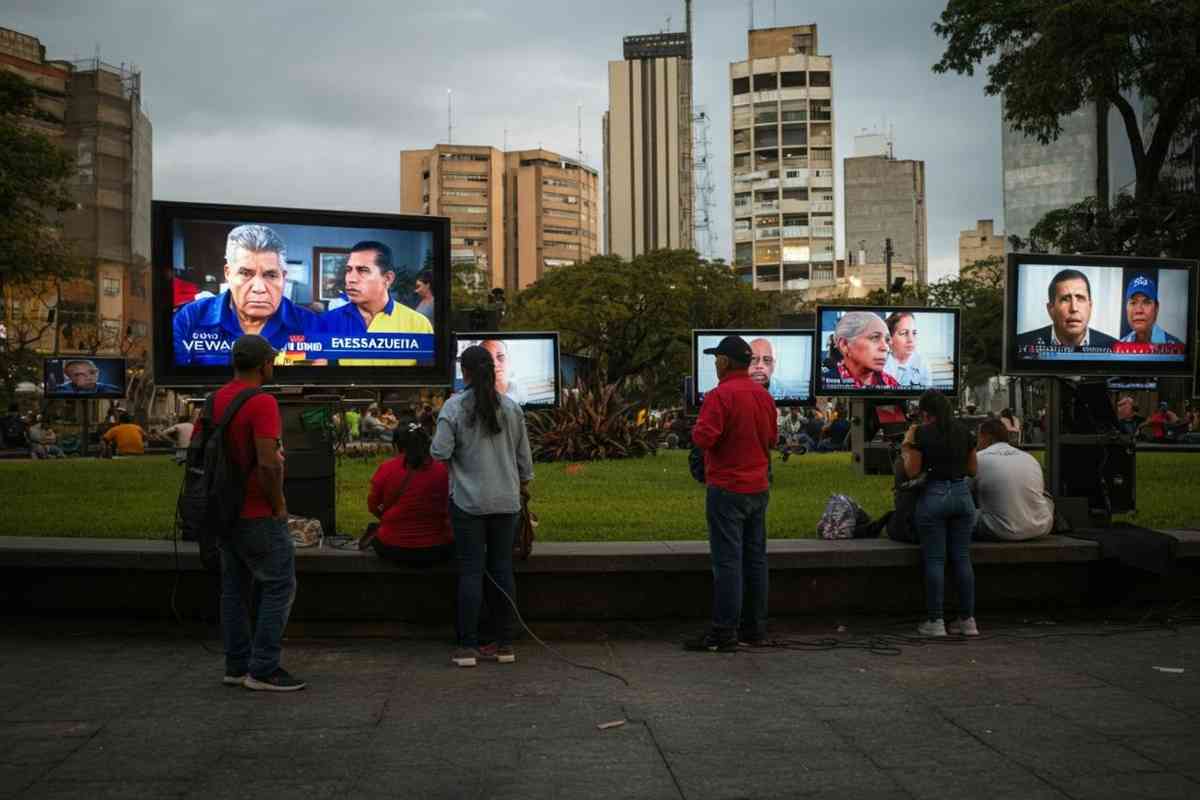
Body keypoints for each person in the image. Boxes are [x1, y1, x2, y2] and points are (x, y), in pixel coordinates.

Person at [206, 334, 304, 691]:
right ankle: (263, 669)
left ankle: (236, 665)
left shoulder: (214, 399)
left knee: (234, 589)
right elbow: (267, 464)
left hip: (222, 510)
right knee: (279, 584)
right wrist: (278, 505)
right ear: (265, 364)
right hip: (256, 510)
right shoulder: (261, 402)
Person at [431, 344, 534, 668]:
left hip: (467, 503)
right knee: (502, 569)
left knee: (471, 571)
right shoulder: (511, 408)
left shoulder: (454, 407)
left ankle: (467, 646)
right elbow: (525, 465)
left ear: (466, 373)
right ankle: (504, 644)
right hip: (507, 503)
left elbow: (439, 452)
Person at [685, 335, 777, 652]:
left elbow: (705, 437)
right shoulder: (764, 397)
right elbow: (772, 439)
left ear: (725, 362)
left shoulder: (719, 396)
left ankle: (724, 632)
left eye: (716, 359)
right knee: (755, 561)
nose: (714, 363)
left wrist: (697, 429)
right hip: (758, 488)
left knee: (727, 562)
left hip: (727, 490)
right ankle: (756, 630)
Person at [172, 225, 319, 365]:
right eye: (246, 274)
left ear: (283, 277)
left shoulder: (309, 322)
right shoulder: (190, 318)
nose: (259, 288)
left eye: (271, 275)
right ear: (228, 274)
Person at [901, 390, 979, 637]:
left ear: (925, 412)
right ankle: (967, 621)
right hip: (962, 496)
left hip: (934, 495)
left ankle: (935, 621)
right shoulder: (964, 431)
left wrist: (907, 445)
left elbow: (912, 471)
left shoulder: (920, 432)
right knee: (962, 558)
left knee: (935, 560)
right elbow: (973, 469)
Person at [317, 241, 434, 366]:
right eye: (348, 270)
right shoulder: (327, 321)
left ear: (388, 279)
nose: (351, 279)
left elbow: (426, 381)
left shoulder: (418, 324)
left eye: (363, 270)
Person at [360, 425, 455, 565]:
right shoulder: (442, 470)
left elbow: (373, 504)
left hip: (392, 546)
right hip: (437, 547)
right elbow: (449, 504)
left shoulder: (387, 468)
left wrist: (388, 518)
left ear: (398, 446)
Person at [972, 419, 1054, 542]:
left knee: (962, 512)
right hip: (1041, 528)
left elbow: (963, 492)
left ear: (986, 437)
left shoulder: (979, 458)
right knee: (1047, 497)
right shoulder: (1029, 457)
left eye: (978, 438)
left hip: (1000, 531)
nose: (977, 443)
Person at [1015, 268, 1117, 350]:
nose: (1074, 308)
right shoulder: (1021, 343)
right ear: (1051, 309)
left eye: (1080, 298)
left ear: (1090, 307)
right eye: (1065, 299)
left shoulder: (1114, 347)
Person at [822, 312, 899, 389]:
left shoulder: (893, 384)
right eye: (875, 337)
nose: (885, 348)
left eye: (887, 340)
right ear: (844, 345)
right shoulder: (824, 382)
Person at [1120, 274, 1183, 345]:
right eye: (1133, 303)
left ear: (1156, 308)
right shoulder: (1118, 348)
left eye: (1146, 302)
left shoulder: (1176, 349)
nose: (1139, 310)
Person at [883, 312, 930, 387]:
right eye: (904, 333)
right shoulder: (881, 365)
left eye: (914, 333)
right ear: (890, 339)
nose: (911, 340)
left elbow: (927, 394)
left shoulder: (922, 362)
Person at [479, 339, 528, 405]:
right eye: (487, 359)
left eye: (500, 356)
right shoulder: (471, 399)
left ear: (508, 359)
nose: (494, 364)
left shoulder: (519, 390)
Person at [55, 359, 121, 394]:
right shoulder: (59, 390)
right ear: (68, 377)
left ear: (97, 371)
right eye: (79, 375)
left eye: (92, 372)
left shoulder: (112, 389)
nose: (89, 377)